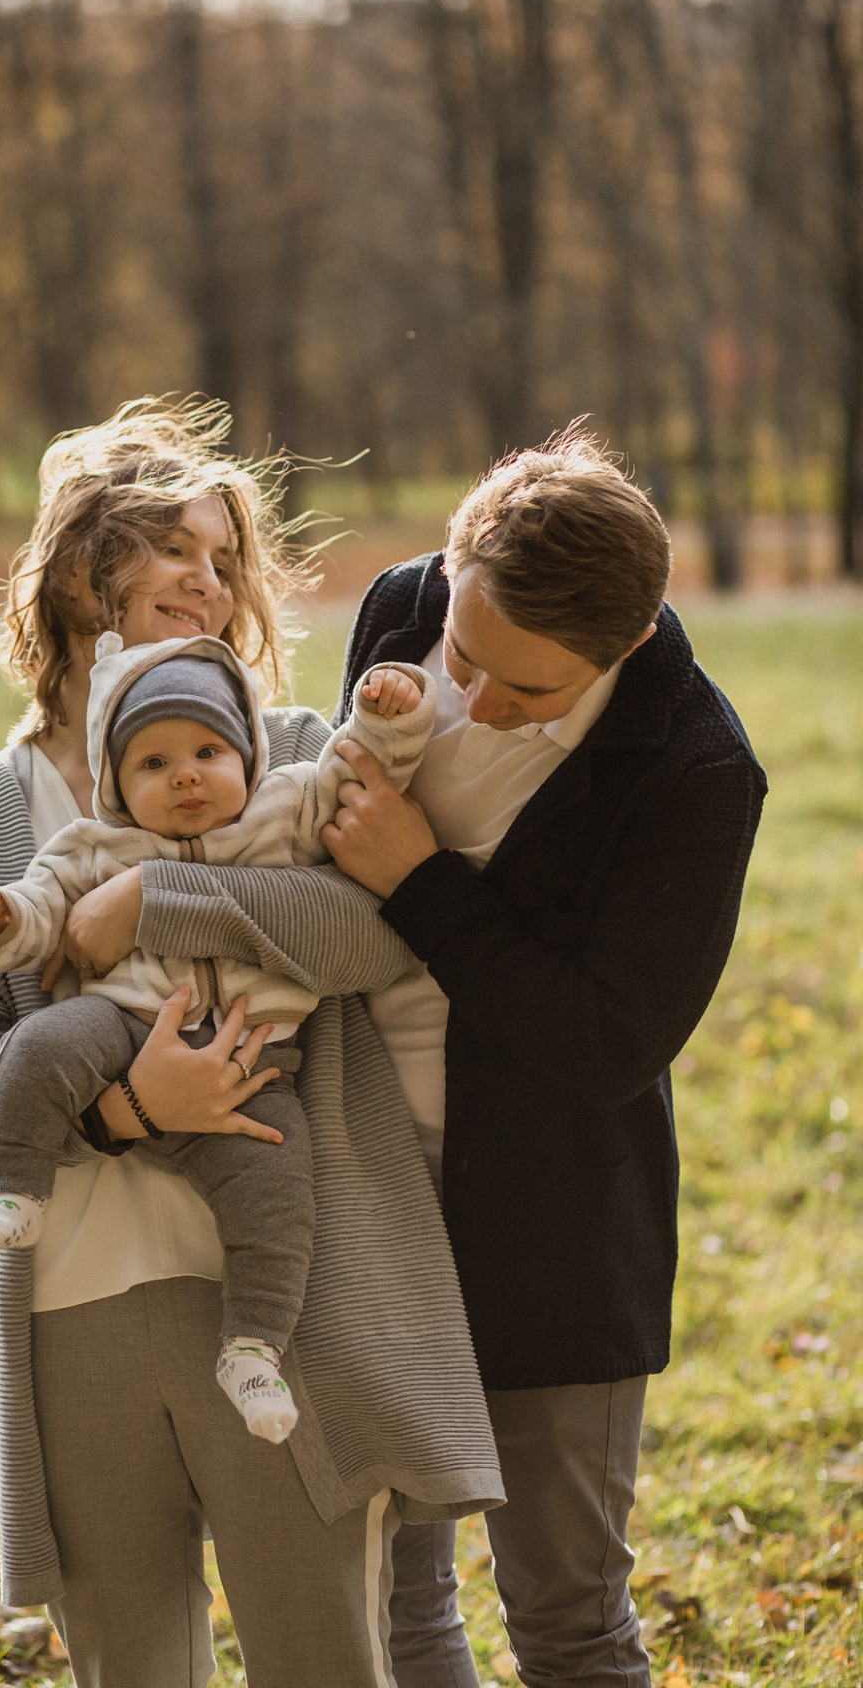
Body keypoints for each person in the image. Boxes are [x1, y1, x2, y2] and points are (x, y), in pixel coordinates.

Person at [0, 399, 503, 1688]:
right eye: (179, 548)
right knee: (130, 1669)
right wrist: (125, 1108)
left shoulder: (278, 763)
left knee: (328, 1658)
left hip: (280, 1300)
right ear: (77, 567)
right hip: (69, 1309)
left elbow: (371, 939)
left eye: (228, 563)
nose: (211, 584)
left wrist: (152, 900)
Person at [315, 429, 767, 1688]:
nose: (474, 699)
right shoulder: (404, 608)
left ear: (622, 645)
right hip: (366, 1200)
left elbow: (601, 1046)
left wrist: (416, 880)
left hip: (555, 1235)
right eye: (465, 656)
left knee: (566, 1622)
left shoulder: (691, 771)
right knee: (387, 1606)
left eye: (528, 692)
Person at [0, 628, 433, 1444]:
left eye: (209, 750)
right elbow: (40, 912)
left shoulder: (288, 809)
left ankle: (252, 1349)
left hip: (255, 1064)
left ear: (247, 754)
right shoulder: (91, 847)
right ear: (116, 786)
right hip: (119, 1026)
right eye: (152, 764)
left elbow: (361, 771)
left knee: (280, 1193)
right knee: (38, 1050)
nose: (186, 776)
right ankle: (18, 1189)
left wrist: (387, 721)